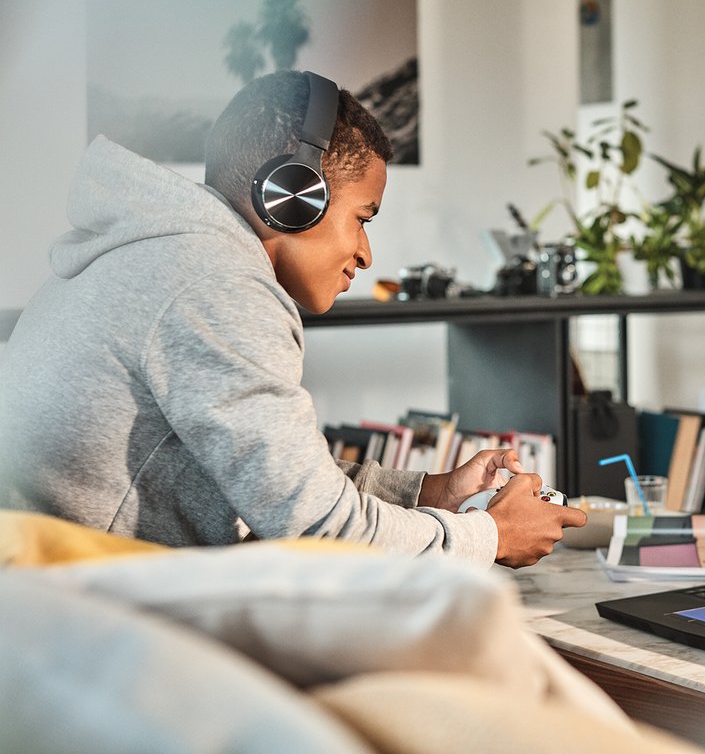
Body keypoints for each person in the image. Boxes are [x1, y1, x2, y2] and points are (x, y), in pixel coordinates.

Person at [0, 70, 585, 568]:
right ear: (293, 195)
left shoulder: (161, 258)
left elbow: (277, 484)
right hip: (106, 632)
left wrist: (436, 493)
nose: (366, 253)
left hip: (63, 609)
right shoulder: (216, 284)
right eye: (363, 218)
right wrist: (490, 536)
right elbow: (318, 532)